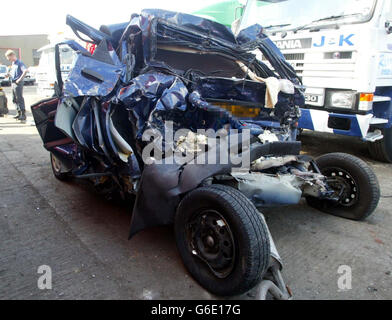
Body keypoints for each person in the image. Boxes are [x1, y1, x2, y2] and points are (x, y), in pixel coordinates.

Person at [5, 50, 28, 122]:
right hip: (13, 82)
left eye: (9, 58)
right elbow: (12, 72)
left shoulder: (19, 63)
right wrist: (8, 74)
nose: (8, 59)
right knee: (14, 99)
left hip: (18, 83)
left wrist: (19, 79)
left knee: (19, 98)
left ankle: (23, 114)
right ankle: (18, 113)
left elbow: (25, 71)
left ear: (12, 55)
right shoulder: (13, 63)